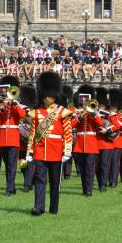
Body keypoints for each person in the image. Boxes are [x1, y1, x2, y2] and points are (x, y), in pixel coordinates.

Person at [27, 72, 72, 215]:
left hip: (56, 150)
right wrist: (29, 151)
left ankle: (53, 208)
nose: (47, 97)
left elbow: (67, 133)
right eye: (45, 95)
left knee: (54, 181)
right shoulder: (37, 112)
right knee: (39, 179)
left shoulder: (62, 112)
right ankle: (38, 207)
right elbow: (33, 133)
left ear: (55, 95)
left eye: (50, 95)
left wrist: (67, 151)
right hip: (40, 150)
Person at [0, 75, 26, 196]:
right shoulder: (3, 106)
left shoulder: (17, 105)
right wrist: (3, 105)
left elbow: (22, 115)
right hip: (3, 139)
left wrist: (14, 103)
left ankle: (9, 188)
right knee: (7, 164)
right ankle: (11, 187)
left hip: (13, 139)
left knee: (12, 164)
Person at [72, 84, 104, 196]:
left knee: (90, 168)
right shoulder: (78, 113)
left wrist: (93, 113)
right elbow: (72, 124)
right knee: (82, 168)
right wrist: (81, 115)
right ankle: (84, 189)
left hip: (91, 144)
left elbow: (101, 123)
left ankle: (89, 190)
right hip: (80, 144)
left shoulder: (94, 114)